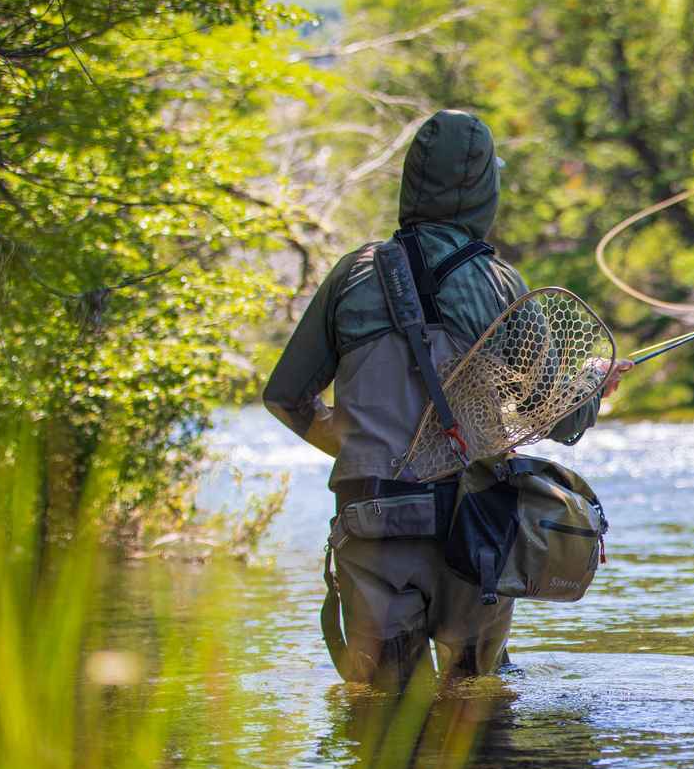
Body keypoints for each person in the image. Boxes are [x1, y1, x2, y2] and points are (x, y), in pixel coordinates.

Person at [264, 110, 629, 687]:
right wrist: (593, 379)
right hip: (473, 529)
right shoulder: (498, 283)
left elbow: (287, 397)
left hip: (372, 521)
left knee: (383, 719)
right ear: (485, 187)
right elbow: (559, 418)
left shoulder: (350, 275)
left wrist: (354, 446)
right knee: (472, 706)